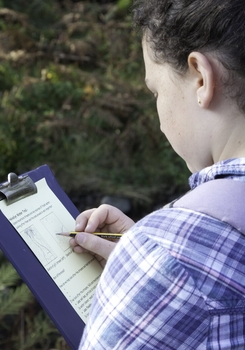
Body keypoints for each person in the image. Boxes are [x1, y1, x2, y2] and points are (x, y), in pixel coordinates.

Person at [70, 0, 245, 348]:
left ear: (200, 77)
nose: (159, 113)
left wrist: (152, 261)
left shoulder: (165, 255)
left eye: (156, 91)